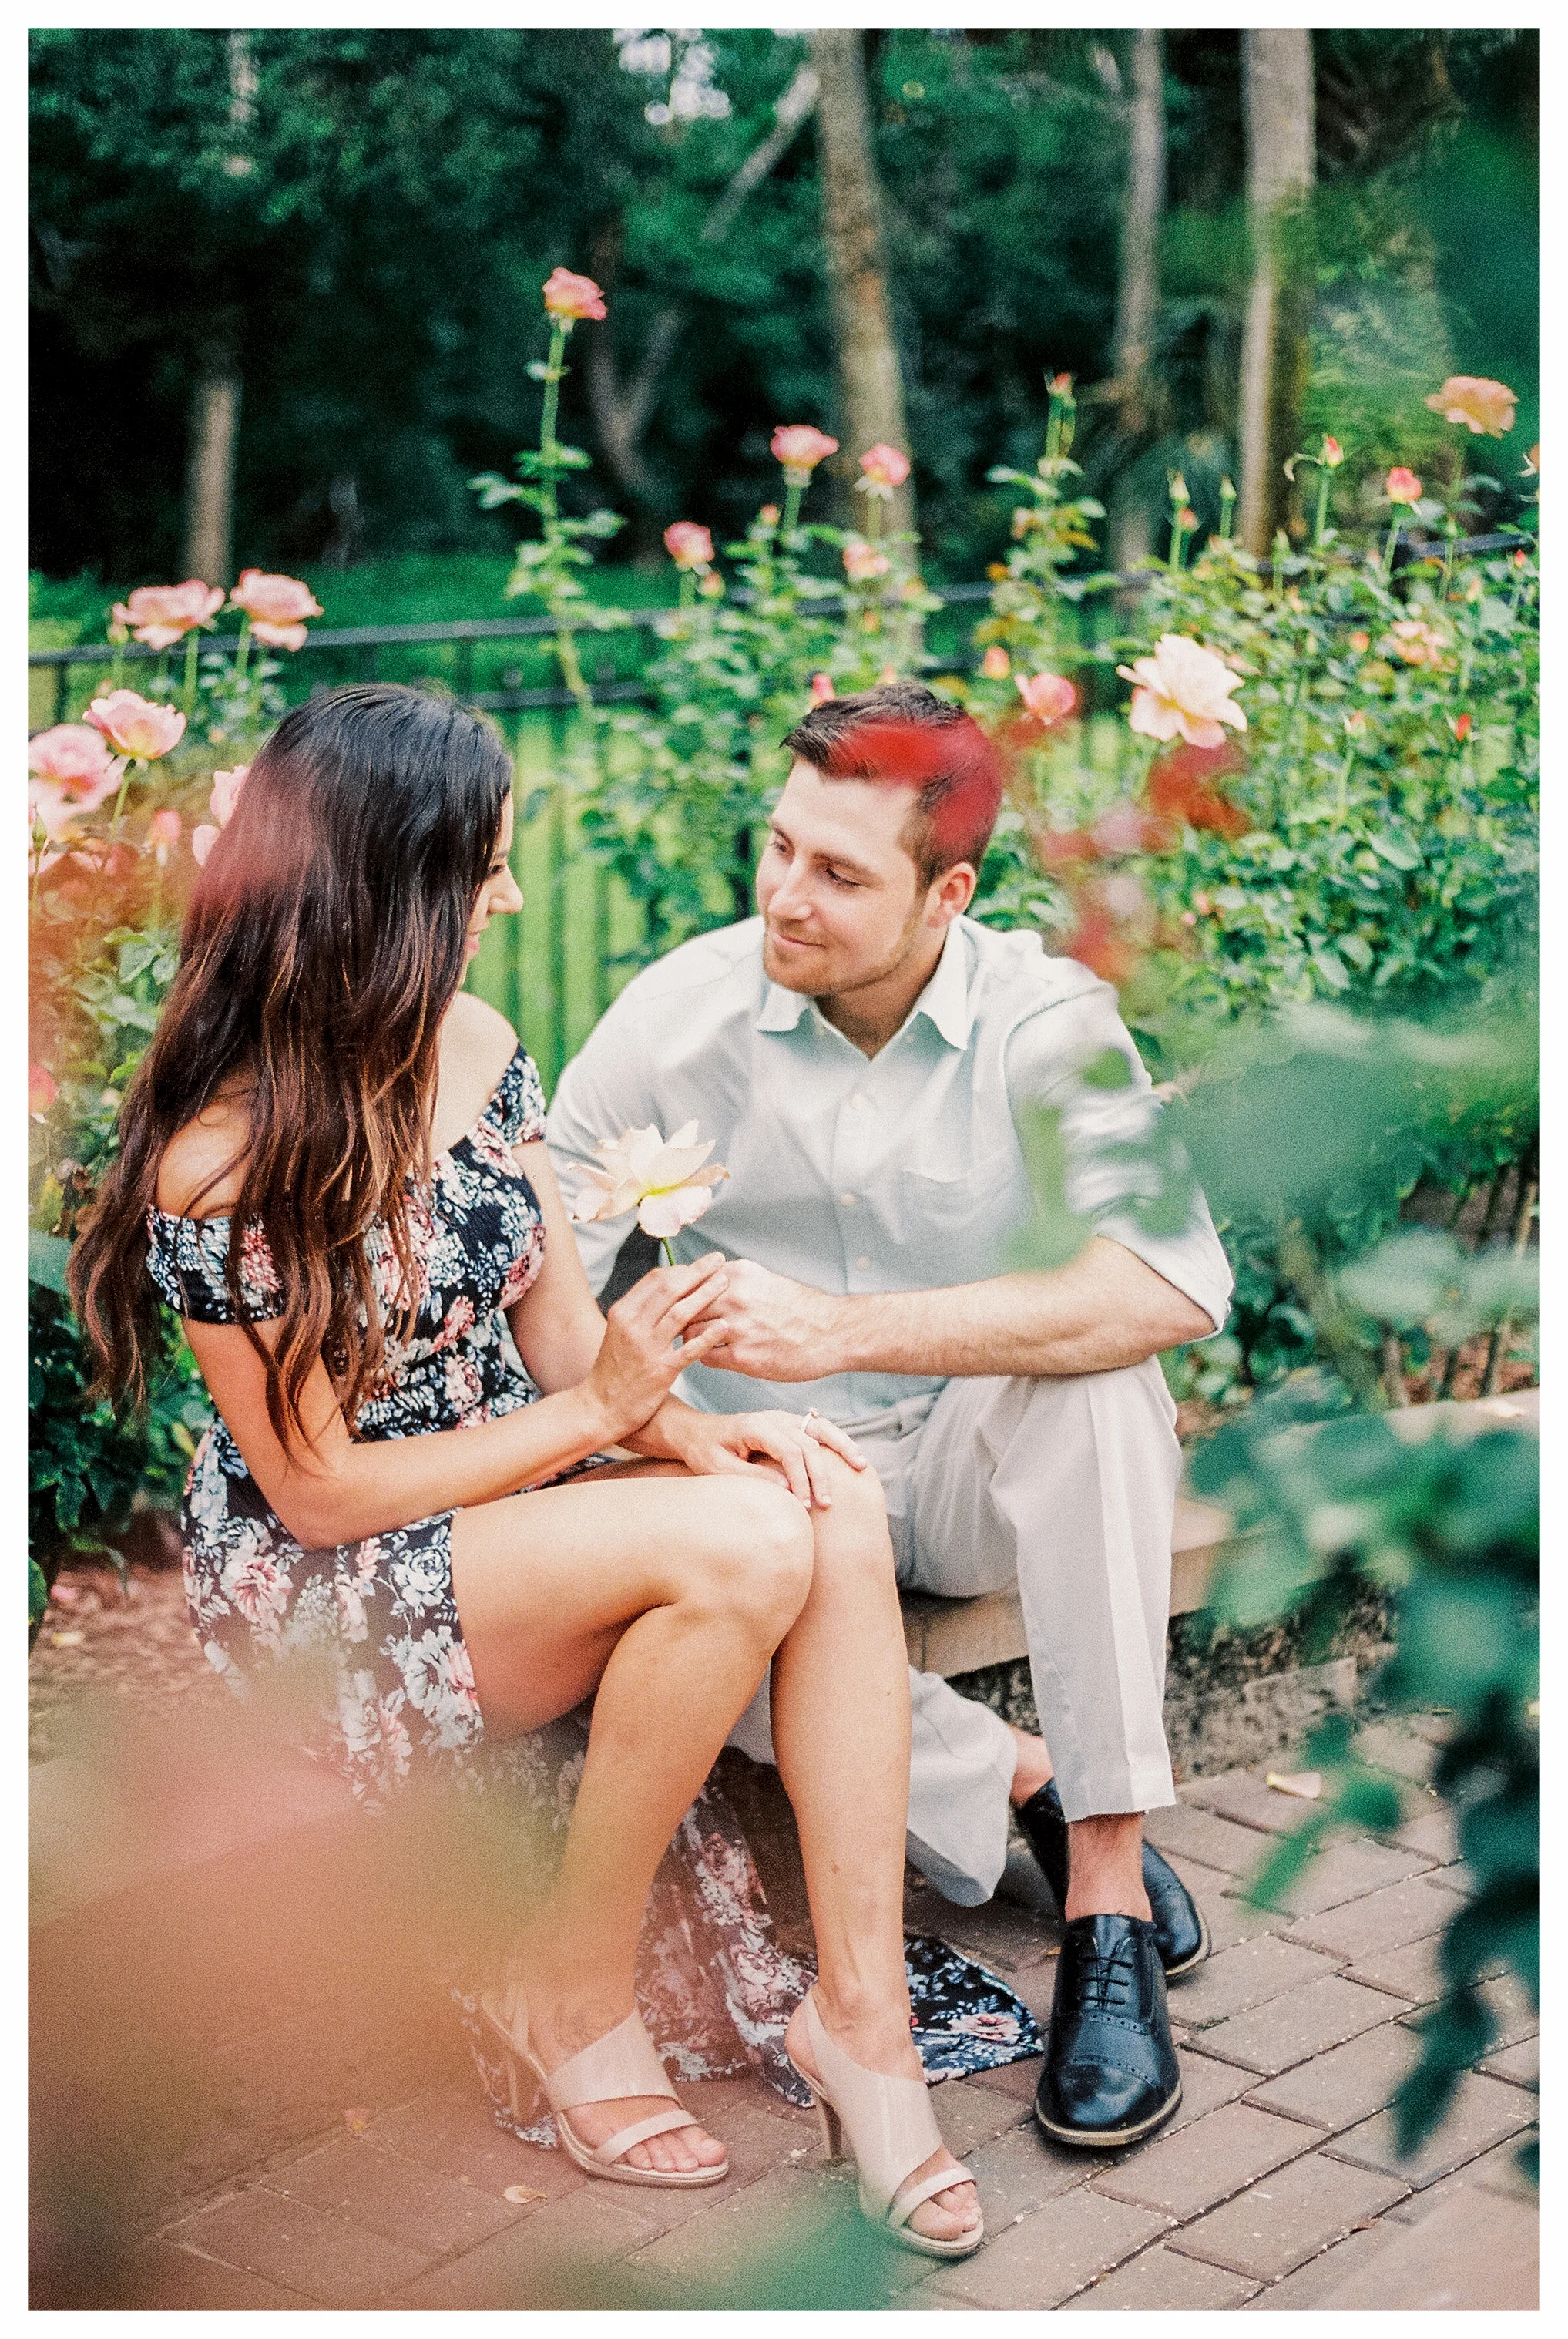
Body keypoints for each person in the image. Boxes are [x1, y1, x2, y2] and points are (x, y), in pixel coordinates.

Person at [70, 684, 983, 2257]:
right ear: (389, 889)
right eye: (483, 867)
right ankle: (574, 1978)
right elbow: (323, 1494)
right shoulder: (215, 1159)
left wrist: (696, 1429)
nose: (504, 895)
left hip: (514, 1505)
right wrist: (607, 1421)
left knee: (816, 1493)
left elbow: (563, 1339)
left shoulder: (475, 1042)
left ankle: (868, 2033)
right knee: (754, 1550)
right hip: (338, 1583)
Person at [548, 682, 1236, 2152]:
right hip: (777, 1493)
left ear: (949, 893)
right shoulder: (678, 1015)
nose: (784, 896)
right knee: (617, 1551)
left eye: (839, 872)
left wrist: (841, 1332)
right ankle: (1019, 1781)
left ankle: (1105, 1898)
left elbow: (1175, 1282)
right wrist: (631, 1399)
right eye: (779, 848)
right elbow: (529, 1260)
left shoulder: (1047, 1024)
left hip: (974, 1463)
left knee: (1106, 1377)